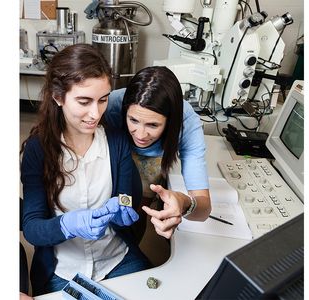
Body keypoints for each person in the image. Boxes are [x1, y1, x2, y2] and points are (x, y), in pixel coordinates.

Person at [20, 44, 150, 296]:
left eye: (103, 100)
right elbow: (33, 228)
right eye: (84, 101)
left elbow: (126, 197)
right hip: (63, 270)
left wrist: (123, 208)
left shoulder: (116, 141)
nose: (95, 113)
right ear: (58, 97)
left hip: (117, 258)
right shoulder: (38, 150)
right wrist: (67, 225)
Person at [105, 66, 212, 240]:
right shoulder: (109, 105)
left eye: (153, 125)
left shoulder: (187, 123)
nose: (140, 135)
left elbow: (204, 210)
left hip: (144, 197)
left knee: (135, 221)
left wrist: (184, 202)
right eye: (133, 120)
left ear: (171, 122)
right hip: (109, 178)